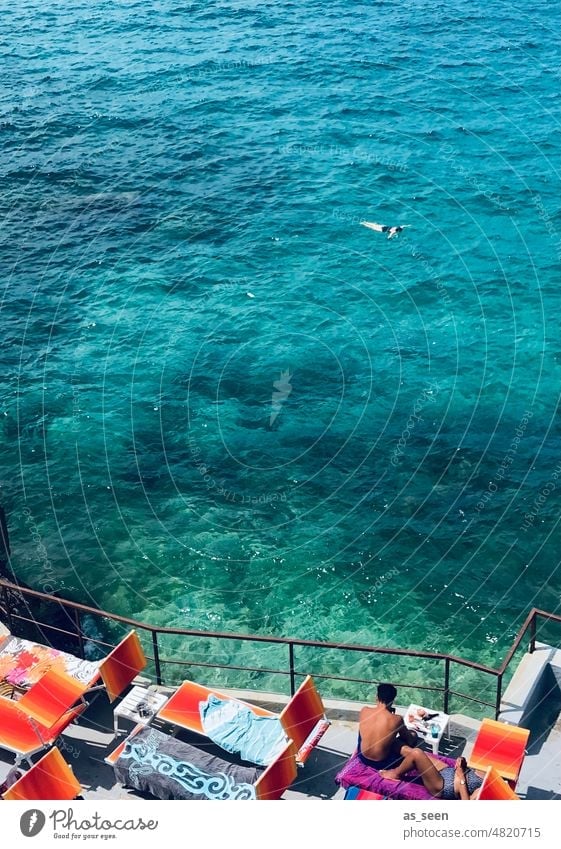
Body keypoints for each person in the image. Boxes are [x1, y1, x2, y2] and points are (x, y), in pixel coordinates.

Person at [357, 683, 418, 770]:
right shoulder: (397, 719)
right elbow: (407, 738)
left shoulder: (364, 710)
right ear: (393, 700)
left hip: (362, 757)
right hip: (382, 763)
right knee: (412, 735)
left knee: (365, 727)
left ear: (377, 697)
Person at [380, 750, 484, 799]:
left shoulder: (488, 784)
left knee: (417, 754)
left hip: (443, 786)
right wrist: (463, 766)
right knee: (411, 751)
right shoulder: (488, 766)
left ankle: (395, 773)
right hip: (448, 771)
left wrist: (461, 776)